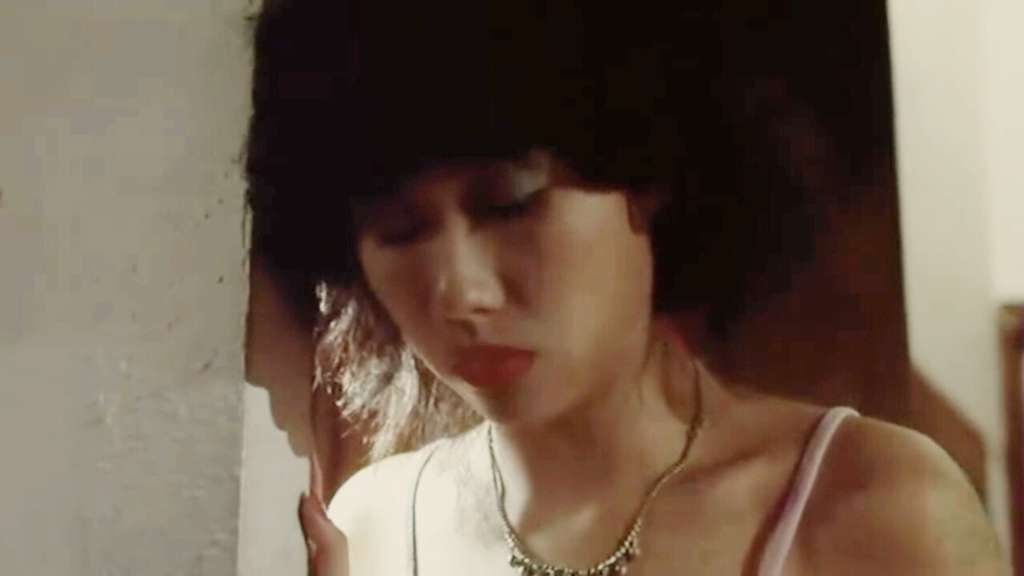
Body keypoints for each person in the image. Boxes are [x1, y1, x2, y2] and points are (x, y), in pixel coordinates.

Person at [244, 1, 1009, 574]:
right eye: (399, 230)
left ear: (645, 179)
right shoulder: (374, 529)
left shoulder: (873, 508)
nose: (459, 294)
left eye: (511, 205)